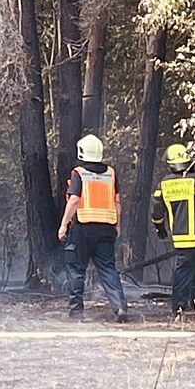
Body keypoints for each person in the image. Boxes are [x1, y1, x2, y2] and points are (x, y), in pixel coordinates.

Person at [58, 134, 128, 322]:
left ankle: (76, 313)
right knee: (108, 269)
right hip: (106, 229)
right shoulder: (111, 173)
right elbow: (117, 201)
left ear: (82, 151)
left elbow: (74, 200)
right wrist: (118, 225)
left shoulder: (79, 173)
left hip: (83, 228)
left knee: (76, 270)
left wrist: (64, 225)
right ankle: (120, 307)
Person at [152, 143, 195, 314]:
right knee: (188, 267)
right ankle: (179, 304)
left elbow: (157, 212)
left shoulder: (164, 184)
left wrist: (160, 229)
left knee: (194, 266)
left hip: (178, 236)